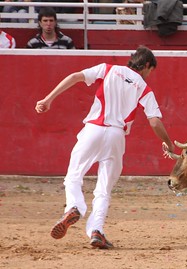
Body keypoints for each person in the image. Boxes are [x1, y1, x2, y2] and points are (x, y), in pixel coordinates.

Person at [34, 46, 176, 249]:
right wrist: (168, 143)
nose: (149, 74)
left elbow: (76, 76)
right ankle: (96, 230)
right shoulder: (143, 86)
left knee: (74, 176)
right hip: (117, 136)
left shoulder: (108, 69)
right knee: (104, 188)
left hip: (93, 130)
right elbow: (154, 122)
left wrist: (48, 99)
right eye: (150, 70)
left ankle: (74, 206)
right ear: (146, 65)